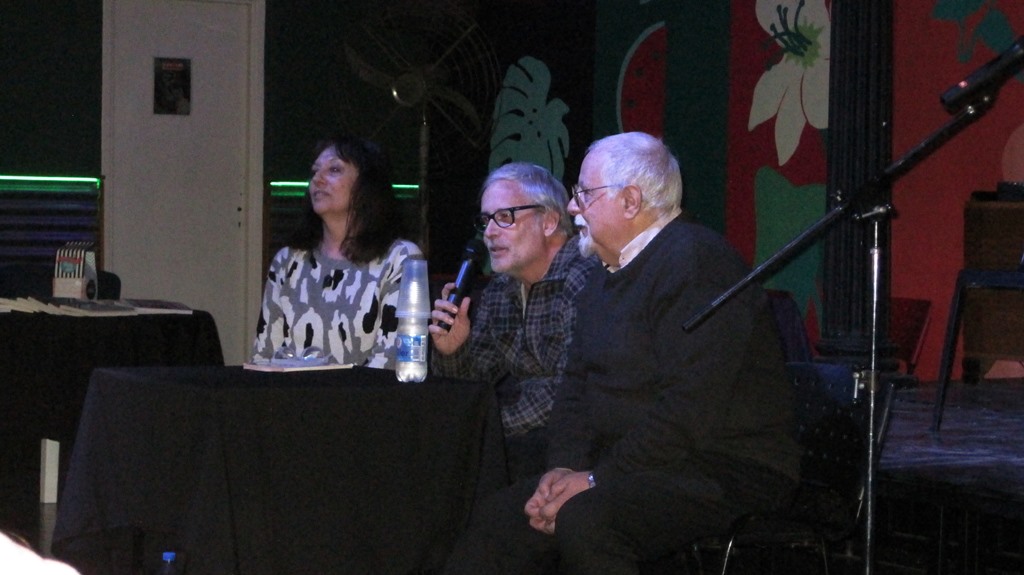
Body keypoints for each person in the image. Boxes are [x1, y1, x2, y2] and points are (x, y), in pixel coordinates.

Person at [442, 132, 801, 574]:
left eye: (584, 194)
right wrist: (561, 471)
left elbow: (688, 410)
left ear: (631, 201)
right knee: (499, 519)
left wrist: (596, 479)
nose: (573, 207)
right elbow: (576, 388)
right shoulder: (605, 274)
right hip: (642, 462)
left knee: (586, 520)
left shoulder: (697, 262)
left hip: (728, 464)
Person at [429, 162, 597, 481]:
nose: (489, 232)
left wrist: (487, 429)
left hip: (578, 450)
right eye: (485, 220)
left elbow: (570, 390)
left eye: (504, 217)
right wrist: (453, 350)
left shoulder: (585, 277)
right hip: (525, 445)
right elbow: (474, 383)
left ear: (548, 221)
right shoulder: (501, 289)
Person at [252, 134, 422, 369]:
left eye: (333, 170)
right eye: (314, 172)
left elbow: (395, 360)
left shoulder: (400, 258)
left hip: (369, 402)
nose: (317, 180)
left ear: (366, 185)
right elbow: (263, 357)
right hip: (292, 401)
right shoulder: (287, 261)